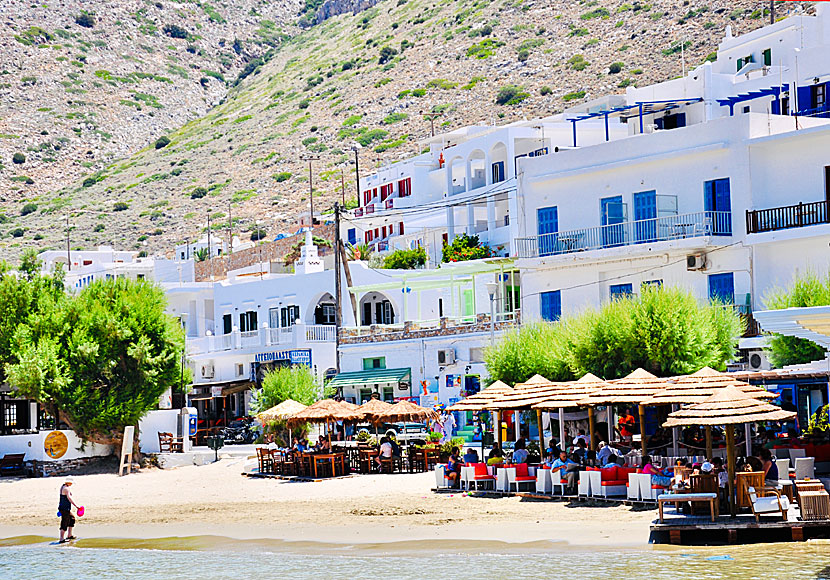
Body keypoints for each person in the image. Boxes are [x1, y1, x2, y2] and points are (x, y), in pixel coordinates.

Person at [58, 476, 80, 543]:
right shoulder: (66, 489)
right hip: (64, 508)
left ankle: (69, 535)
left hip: (64, 507)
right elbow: (69, 498)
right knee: (65, 522)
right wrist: (76, 506)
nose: (72, 484)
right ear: (69, 482)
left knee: (72, 518)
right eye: (71, 483)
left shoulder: (63, 486)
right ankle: (61, 539)